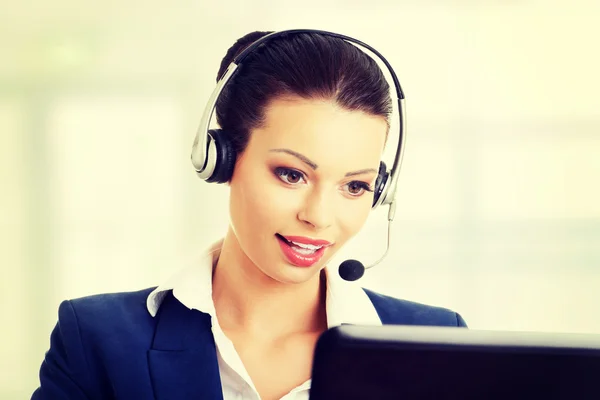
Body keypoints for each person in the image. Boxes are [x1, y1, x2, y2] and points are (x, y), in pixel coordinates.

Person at [31, 29, 467, 400]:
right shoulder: (95, 341)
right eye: (291, 174)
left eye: (355, 186)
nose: (319, 217)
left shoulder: (434, 342)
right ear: (220, 159)